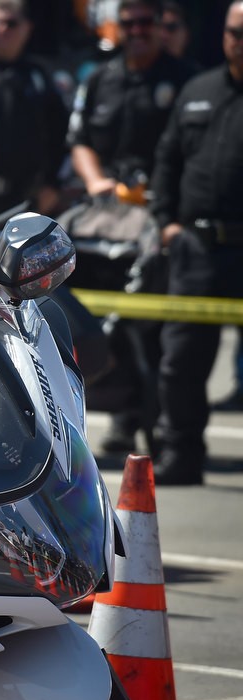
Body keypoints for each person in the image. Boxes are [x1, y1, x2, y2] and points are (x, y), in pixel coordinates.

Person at [66, 0, 194, 455]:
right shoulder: (99, 77)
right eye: (129, 23)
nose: (137, 31)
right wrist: (96, 180)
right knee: (96, 322)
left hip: (154, 217)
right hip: (101, 213)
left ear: (160, 25)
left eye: (146, 22)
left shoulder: (185, 81)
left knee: (148, 330)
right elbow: (79, 140)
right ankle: (118, 417)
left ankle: (153, 422)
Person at [147, 1, 243, 484]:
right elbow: (168, 161)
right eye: (234, 33)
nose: (239, 42)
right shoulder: (198, 90)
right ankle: (182, 454)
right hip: (199, 247)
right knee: (181, 360)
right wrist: (165, 221)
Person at [0, 0, 69, 218]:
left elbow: (61, 133)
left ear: (28, 27)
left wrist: (53, 184)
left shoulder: (39, 76)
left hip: (26, 200)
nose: (2, 30)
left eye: (11, 23)